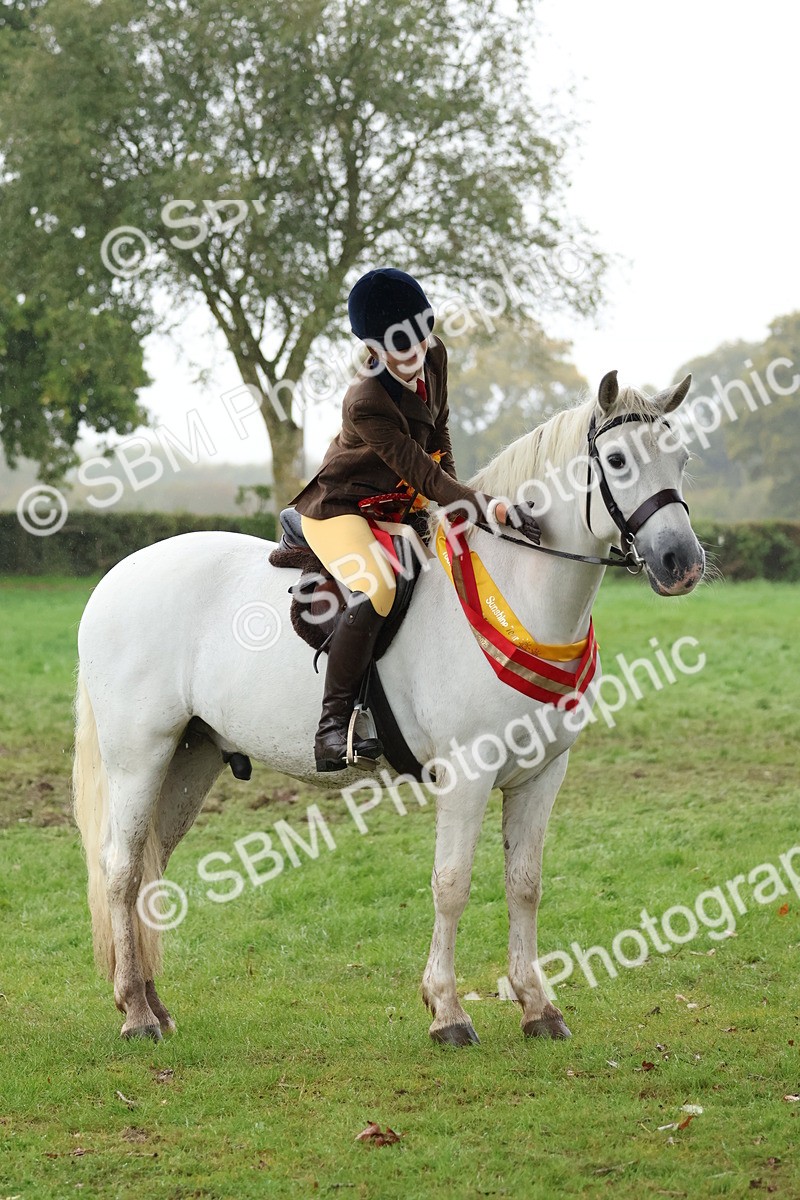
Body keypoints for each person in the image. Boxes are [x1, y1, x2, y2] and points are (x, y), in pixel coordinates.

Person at [289, 267, 540, 772]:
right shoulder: (366, 401)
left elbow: (437, 434)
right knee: (379, 587)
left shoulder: (435, 355)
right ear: (373, 349)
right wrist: (484, 505)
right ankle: (332, 726)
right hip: (342, 506)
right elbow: (418, 470)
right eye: (400, 346)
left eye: (421, 335)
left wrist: (456, 497)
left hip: (398, 504)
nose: (416, 352)